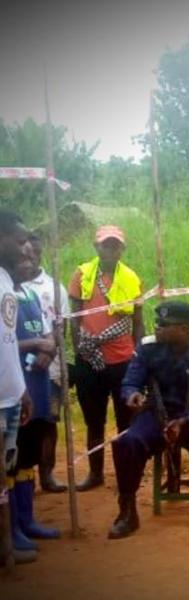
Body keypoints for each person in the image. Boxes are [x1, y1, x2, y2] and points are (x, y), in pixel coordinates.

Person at [109, 300, 189, 539]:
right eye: (157, 323)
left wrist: (186, 420)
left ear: (184, 329)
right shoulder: (147, 348)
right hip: (158, 416)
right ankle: (127, 511)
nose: (157, 328)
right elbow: (130, 381)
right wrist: (131, 394)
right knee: (127, 442)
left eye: (165, 325)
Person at [68, 225, 143, 491]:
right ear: (96, 247)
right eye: (105, 245)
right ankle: (95, 473)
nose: (110, 250)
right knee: (94, 421)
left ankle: (126, 473)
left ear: (122, 248)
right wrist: (81, 351)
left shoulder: (132, 278)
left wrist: (139, 356)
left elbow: (138, 322)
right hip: (90, 360)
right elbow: (74, 319)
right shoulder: (82, 274)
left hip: (123, 360)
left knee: (126, 421)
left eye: (115, 245)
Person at [10, 253, 61, 547]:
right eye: (21, 257)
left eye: (30, 258)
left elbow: (49, 334)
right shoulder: (4, 295)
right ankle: (13, 526)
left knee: (28, 455)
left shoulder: (30, 293)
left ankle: (28, 521)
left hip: (38, 383)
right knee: (12, 459)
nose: (28, 262)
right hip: (16, 386)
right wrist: (36, 344)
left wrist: (48, 348)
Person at [0, 209, 36, 564]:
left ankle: (6, 547)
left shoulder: (7, 283)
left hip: (11, 397)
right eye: (21, 239)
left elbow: (6, 343)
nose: (27, 248)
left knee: (4, 478)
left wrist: (21, 390)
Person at [23, 232, 69, 493]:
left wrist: (50, 353)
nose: (29, 257)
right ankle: (23, 478)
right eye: (25, 252)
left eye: (33, 253)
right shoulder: (8, 284)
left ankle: (47, 474)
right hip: (17, 368)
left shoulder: (53, 288)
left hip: (49, 369)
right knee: (21, 425)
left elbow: (61, 327)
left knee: (48, 421)